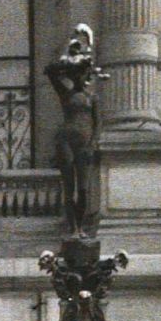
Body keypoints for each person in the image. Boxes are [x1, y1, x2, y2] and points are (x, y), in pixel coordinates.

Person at [47, 23, 103, 238]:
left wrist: (92, 145)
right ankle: (72, 229)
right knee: (69, 188)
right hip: (66, 141)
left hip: (84, 144)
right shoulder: (65, 93)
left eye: (82, 72)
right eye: (76, 73)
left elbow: (97, 125)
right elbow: (51, 72)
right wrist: (68, 58)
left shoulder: (91, 98)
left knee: (84, 189)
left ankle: (81, 227)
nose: (78, 76)